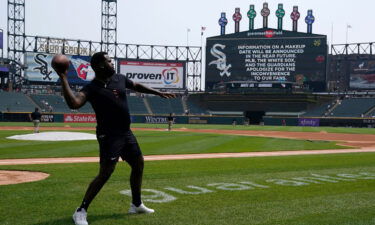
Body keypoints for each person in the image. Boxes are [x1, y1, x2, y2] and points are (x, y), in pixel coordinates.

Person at [52, 52, 176, 225]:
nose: (112, 63)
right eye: (109, 61)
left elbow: (137, 85)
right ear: (101, 65)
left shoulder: (119, 78)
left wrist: (158, 92)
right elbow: (74, 103)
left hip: (126, 132)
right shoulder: (92, 88)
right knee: (105, 173)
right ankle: (80, 211)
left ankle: (136, 204)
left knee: (138, 164)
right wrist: (63, 77)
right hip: (109, 135)